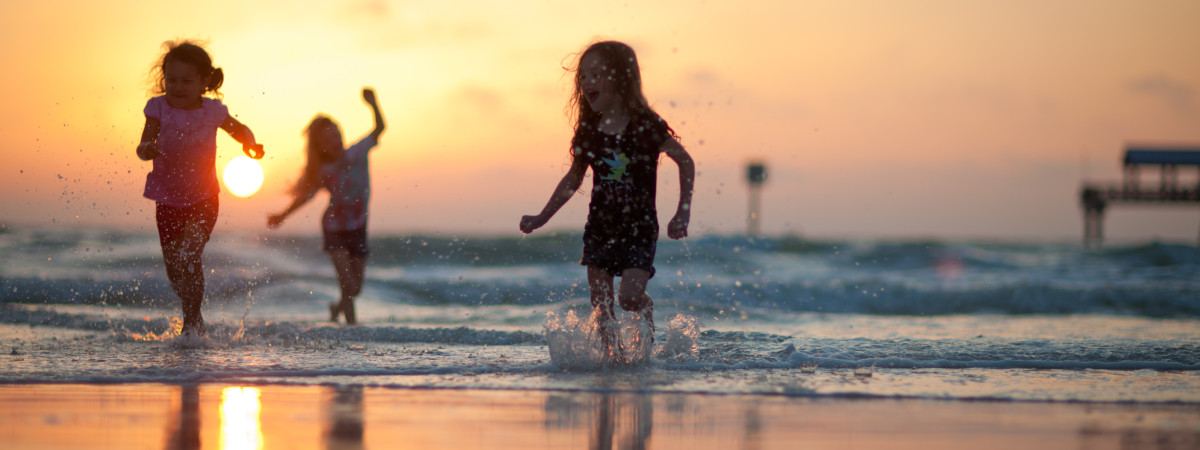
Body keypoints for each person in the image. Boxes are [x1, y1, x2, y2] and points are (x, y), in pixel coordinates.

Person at [520, 41, 695, 361]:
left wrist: (682, 213)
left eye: (597, 75)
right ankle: (613, 360)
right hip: (600, 226)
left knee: (628, 298)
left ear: (621, 79)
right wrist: (541, 217)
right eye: (583, 77)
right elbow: (573, 179)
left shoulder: (646, 125)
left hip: (639, 228)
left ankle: (645, 315)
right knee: (601, 304)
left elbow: (685, 161)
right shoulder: (588, 130)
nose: (588, 83)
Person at [136, 40, 263, 337]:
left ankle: (191, 323)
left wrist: (250, 143)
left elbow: (239, 129)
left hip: (204, 197)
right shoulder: (158, 108)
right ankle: (195, 315)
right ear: (163, 78)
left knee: (190, 255)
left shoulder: (212, 111)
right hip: (166, 199)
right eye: (172, 80)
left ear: (204, 82)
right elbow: (143, 145)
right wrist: (146, 149)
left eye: (186, 81)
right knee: (174, 271)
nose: (178, 87)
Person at [268, 88, 386, 325]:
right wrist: (283, 215)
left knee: (355, 288)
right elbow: (305, 197)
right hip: (334, 229)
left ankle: (336, 309)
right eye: (328, 140)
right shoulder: (323, 171)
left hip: (359, 227)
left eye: (336, 135)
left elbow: (379, 129)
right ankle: (352, 326)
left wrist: (373, 104)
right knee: (347, 283)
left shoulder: (358, 152)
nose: (335, 142)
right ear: (321, 146)